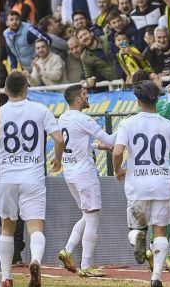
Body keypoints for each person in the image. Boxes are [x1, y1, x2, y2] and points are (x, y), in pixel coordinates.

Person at [112, 81, 170, 287]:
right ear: (158, 99)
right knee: (160, 232)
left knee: (136, 228)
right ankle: (156, 277)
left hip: (137, 184)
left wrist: (117, 170)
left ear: (138, 100)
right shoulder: (169, 125)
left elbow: (117, 152)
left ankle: (137, 236)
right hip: (163, 184)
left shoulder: (128, 123)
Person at [0, 71, 65, 287]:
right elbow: (59, 139)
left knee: (7, 228)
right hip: (33, 176)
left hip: (6, 176)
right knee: (35, 226)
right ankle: (35, 260)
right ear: (27, 88)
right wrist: (58, 159)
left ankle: (6, 277)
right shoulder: (40, 110)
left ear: (6, 90)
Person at [57, 85, 116, 277]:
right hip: (85, 174)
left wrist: (99, 147)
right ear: (77, 99)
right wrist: (126, 126)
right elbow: (111, 139)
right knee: (92, 219)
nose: (87, 96)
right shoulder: (83, 119)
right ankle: (86, 265)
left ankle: (67, 250)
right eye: (84, 94)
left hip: (70, 173)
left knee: (86, 215)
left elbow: (77, 143)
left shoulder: (63, 118)